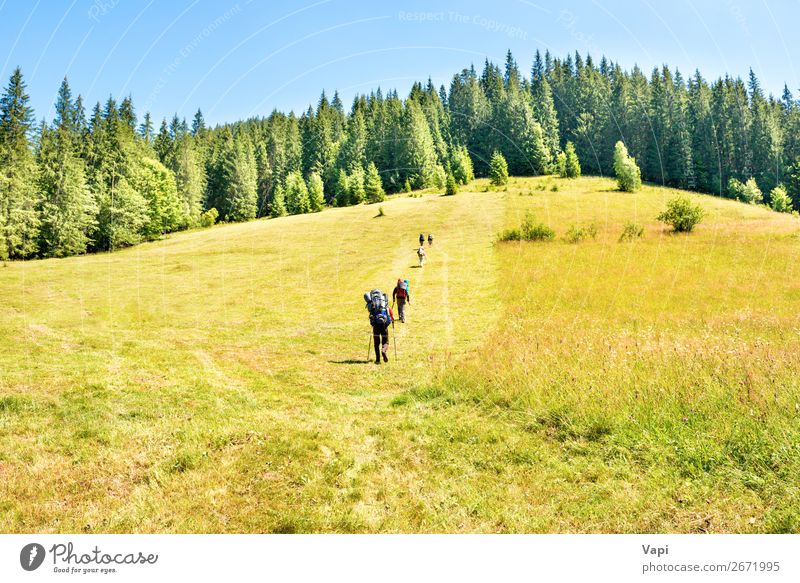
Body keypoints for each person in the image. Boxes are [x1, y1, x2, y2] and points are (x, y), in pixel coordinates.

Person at [365, 290, 392, 364]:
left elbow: (371, 317)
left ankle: (377, 359)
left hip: (376, 326)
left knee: (376, 344)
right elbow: (390, 316)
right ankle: (383, 350)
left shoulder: (372, 304)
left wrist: (373, 324)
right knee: (385, 342)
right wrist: (388, 324)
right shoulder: (384, 304)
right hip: (384, 325)